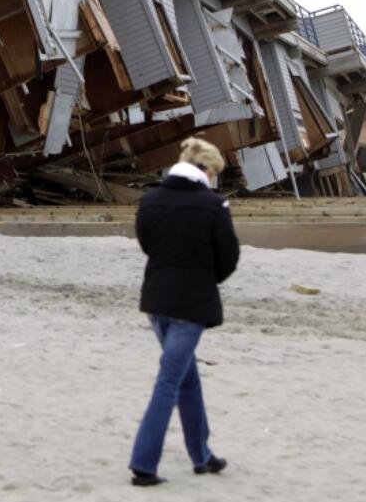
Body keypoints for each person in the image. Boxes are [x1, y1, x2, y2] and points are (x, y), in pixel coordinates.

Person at [128, 137, 240, 487]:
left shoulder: (150, 200)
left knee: (186, 378)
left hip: (157, 300)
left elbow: (147, 243)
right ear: (205, 170)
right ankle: (143, 464)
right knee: (169, 381)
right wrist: (205, 277)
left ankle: (202, 455)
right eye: (214, 173)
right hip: (191, 304)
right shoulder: (213, 206)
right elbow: (228, 258)